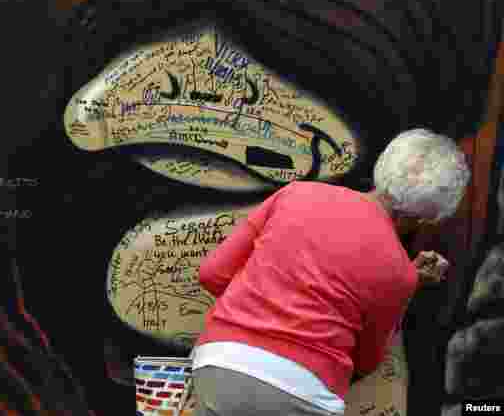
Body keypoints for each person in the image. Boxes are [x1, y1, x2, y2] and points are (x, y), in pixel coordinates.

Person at [190, 128, 468, 415]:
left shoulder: (296, 193)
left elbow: (211, 274)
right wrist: (407, 285)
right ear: (426, 216)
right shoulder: (398, 271)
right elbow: (366, 361)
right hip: (303, 391)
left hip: (220, 363)